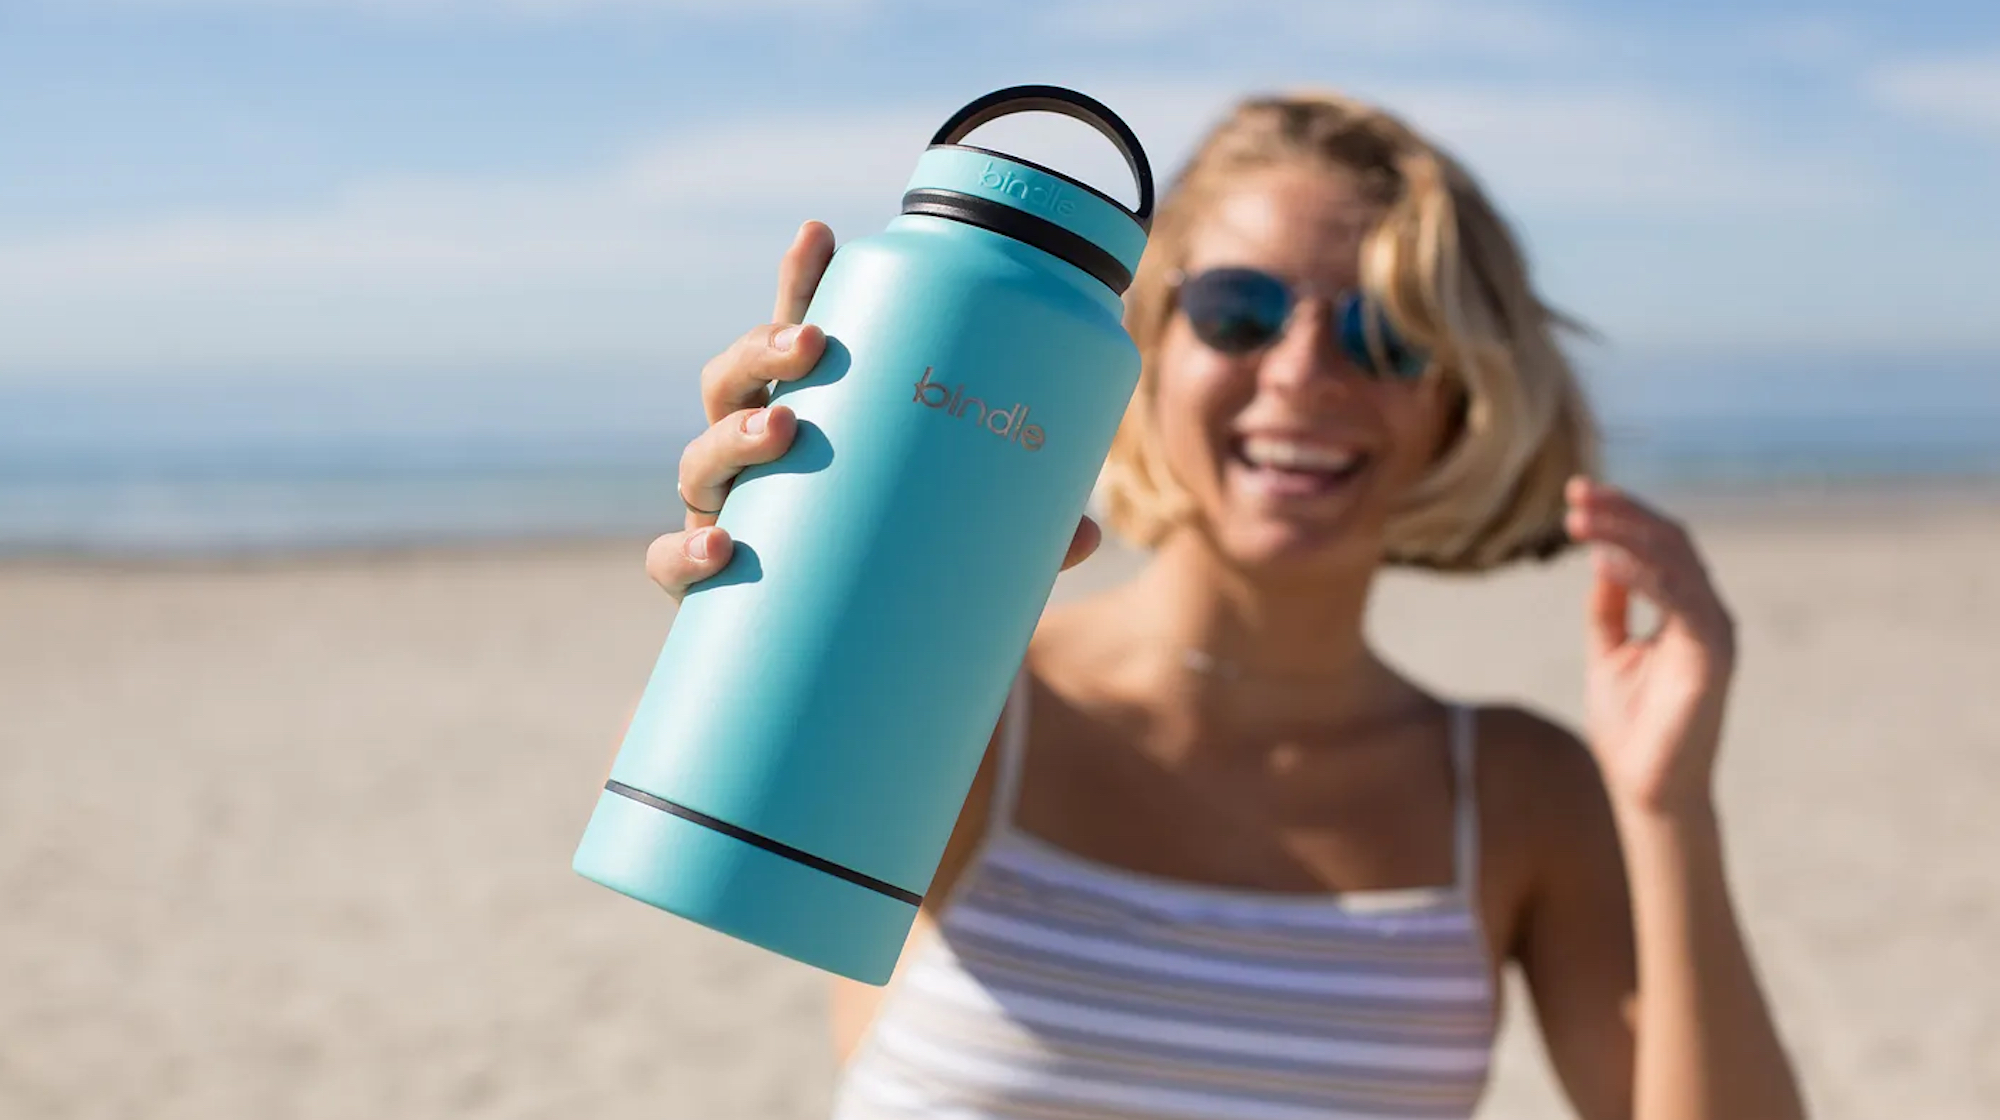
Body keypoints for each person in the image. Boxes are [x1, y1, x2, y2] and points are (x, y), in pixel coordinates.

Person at [650, 92, 1807, 1120]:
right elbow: (707, 817)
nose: (1304, 372)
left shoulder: (1516, 793)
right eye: (1240, 312)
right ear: (1142, 345)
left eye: (1386, 335)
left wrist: (1667, 808)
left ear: (1460, 398)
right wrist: (789, 521)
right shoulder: (975, 706)